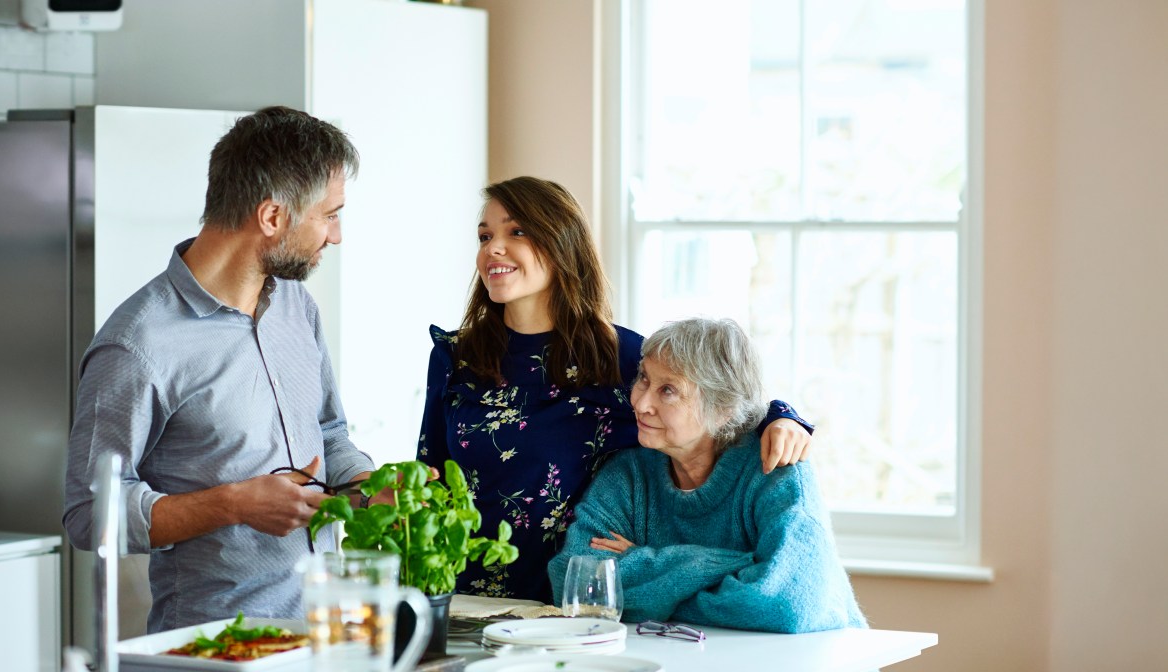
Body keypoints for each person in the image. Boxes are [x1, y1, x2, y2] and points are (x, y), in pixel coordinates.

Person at [417, 176, 814, 603]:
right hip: (462, 597)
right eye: (485, 235)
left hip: (577, 601)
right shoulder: (454, 356)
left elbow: (715, 405)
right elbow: (430, 473)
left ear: (561, 243)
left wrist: (784, 416)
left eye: (517, 231)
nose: (493, 248)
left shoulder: (620, 356)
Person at [62, 106, 374, 633]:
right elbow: (90, 515)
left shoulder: (297, 308)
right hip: (213, 644)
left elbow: (328, 432)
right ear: (272, 217)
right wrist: (234, 504)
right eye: (329, 214)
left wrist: (367, 484)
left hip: (319, 634)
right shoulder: (137, 344)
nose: (336, 234)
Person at [549, 318, 865, 633]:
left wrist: (645, 570)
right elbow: (574, 581)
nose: (641, 402)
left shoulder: (776, 468)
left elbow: (787, 603)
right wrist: (739, 563)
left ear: (723, 408)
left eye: (668, 390)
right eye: (643, 378)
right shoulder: (628, 474)